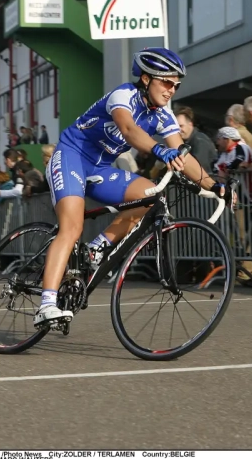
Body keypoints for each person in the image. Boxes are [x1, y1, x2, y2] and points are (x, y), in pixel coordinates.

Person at [36, 47, 226, 327]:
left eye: (177, 85)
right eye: (166, 82)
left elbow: (184, 157)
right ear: (147, 79)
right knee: (72, 227)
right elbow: (128, 130)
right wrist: (160, 151)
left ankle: (97, 248)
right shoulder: (123, 95)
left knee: (149, 195)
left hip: (100, 169)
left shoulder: (164, 116)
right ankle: (47, 304)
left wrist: (215, 185)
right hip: (71, 156)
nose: (172, 89)